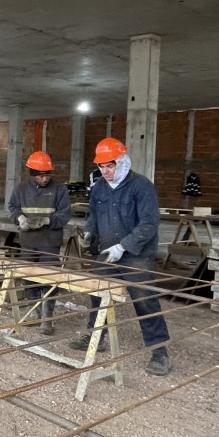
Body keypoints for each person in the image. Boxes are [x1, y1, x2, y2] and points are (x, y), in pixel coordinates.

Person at [73, 137, 172, 376]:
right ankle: (96, 337)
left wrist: (123, 246)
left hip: (136, 255)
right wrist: (89, 233)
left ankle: (160, 352)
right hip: (106, 252)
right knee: (98, 294)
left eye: (110, 166)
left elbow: (149, 224)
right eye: (101, 167)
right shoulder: (98, 187)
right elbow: (93, 217)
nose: (105, 171)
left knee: (145, 300)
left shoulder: (142, 186)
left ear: (122, 161)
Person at [7, 151, 71, 333]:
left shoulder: (59, 190)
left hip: (50, 241)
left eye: (47, 174)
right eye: (41, 175)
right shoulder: (21, 189)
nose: (44, 178)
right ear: (32, 174)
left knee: (50, 277)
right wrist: (20, 219)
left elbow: (65, 214)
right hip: (28, 241)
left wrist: (47, 221)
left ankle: (47, 318)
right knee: (29, 276)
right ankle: (34, 312)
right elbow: (12, 208)